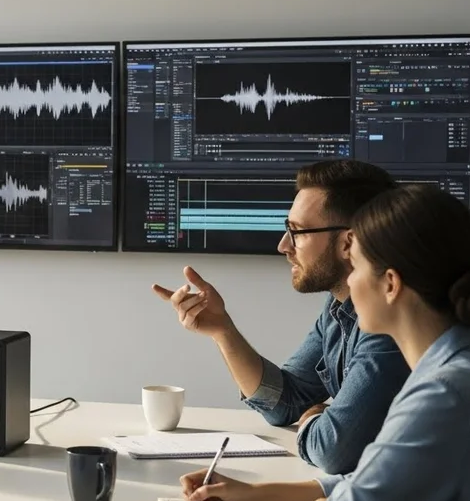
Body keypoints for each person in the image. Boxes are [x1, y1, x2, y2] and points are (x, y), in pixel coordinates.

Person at [180, 185, 470, 501]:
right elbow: (369, 483)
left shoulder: (441, 397)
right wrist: (255, 496)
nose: (348, 281)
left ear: (390, 284)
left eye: (358, 267)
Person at [152, 160, 409, 475]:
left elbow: (334, 449)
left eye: (297, 232)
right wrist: (223, 330)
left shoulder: (389, 323)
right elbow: (285, 401)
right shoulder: (338, 309)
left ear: (348, 242)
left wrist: (315, 420)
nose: (283, 245)